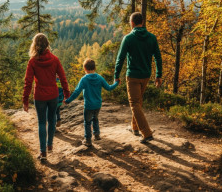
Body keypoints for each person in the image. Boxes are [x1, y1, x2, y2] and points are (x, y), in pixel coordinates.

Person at [114, 12, 162, 144]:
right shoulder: (152, 38)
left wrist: (116, 76)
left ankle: (146, 133)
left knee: (134, 103)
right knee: (138, 102)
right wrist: (158, 75)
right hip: (146, 75)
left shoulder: (128, 38)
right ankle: (135, 127)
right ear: (142, 22)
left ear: (132, 23)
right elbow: (158, 57)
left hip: (133, 76)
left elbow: (120, 58)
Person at [22, 33, 70, 161]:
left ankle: (43, 153)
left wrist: (25, 100)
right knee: (52, 120)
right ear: (47, 44)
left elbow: (28, 82)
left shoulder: (32, 61)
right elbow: (63, 78)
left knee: (42, 122)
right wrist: (66, 94)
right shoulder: (55, 59)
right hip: (53, 95)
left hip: (40, 96)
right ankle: (50, 145)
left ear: (35, 45)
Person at [65, 58, 119, 147]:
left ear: (85, 69)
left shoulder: (84, 79)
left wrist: (68, 101)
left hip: (89, 105)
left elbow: (77, 92)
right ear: (94, 68)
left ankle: (88, 140)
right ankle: (97, 134)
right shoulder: (99, 77)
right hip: (98, 104)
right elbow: (109, 88)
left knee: (87, 122)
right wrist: (116, 83)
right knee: (95, 118)